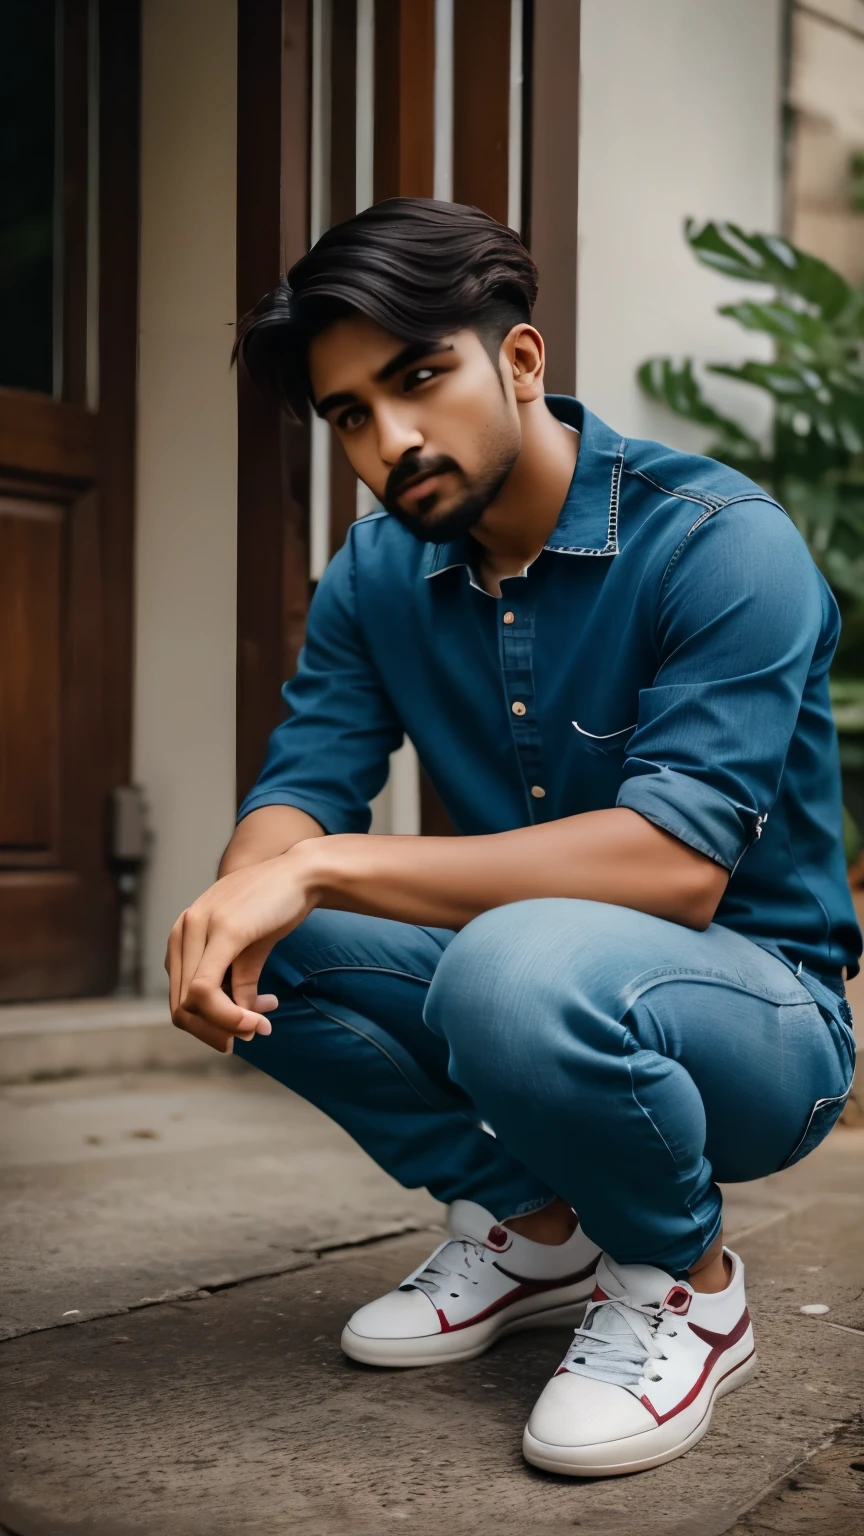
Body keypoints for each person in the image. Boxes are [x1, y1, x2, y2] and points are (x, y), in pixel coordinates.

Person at [166, 198, 859, 1478]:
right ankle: (540, 1228)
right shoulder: (375, 576)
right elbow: (306, 785)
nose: (391, 439)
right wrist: (257, 885)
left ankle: (686, 1281)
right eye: (350, 416)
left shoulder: (719, 541)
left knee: (504, 959)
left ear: (521, 360)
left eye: (419, 376)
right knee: (260, 929)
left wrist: (315, 862)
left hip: (761, 1025)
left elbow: (675, 866)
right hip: (531, 976)